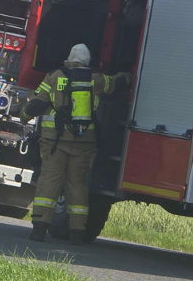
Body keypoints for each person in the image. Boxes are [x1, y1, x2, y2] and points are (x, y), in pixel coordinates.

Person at [20, 43, 130, 244]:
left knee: (49, 182)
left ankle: (39, 229)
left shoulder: (54, 76)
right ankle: (78, 233)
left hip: (54, 142)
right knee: (77, 184)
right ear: (87, 61)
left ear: (69, 58)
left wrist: (23, 116)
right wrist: (128, 76)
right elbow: (114, 83)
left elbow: (38, 103)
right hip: (83, 143)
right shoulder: (95, 79)